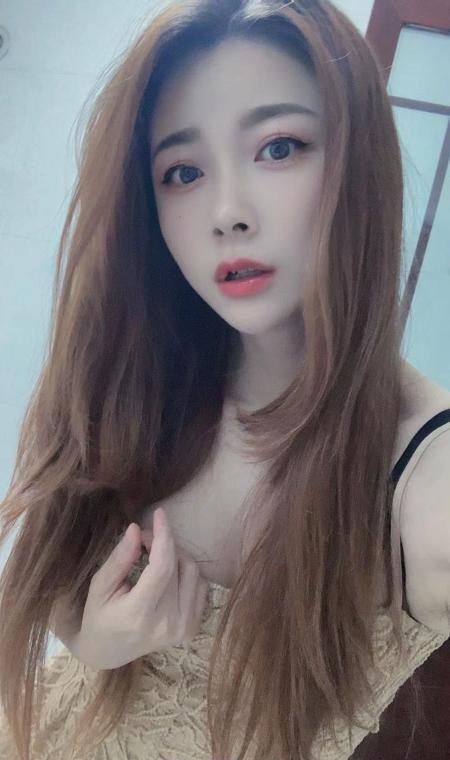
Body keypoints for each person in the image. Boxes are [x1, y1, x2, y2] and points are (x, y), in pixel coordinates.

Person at [0, 1, 449, 758]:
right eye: (183, 171)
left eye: (279, 147)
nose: (228, 213)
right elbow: (51, 590)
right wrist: (93, 641)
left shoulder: (423, 479)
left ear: (359, 163)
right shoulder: (131, 372)